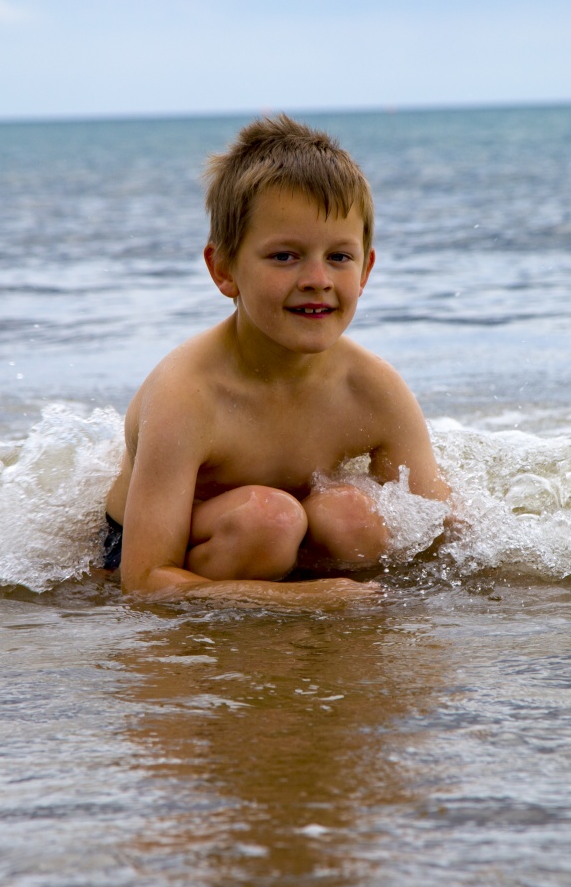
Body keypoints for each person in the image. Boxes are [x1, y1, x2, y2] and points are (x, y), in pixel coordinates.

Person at [102, 114, 450, 607]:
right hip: (160, 553)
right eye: (285, 256)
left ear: (367, 268)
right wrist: (302, 602)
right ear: (224, 270)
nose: (316, 279)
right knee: (268, 520)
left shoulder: (371, 387)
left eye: (339, 257)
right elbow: (142, 581)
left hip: (286, 543)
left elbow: (437, 523)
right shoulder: (188, 394)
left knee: (355, 516)